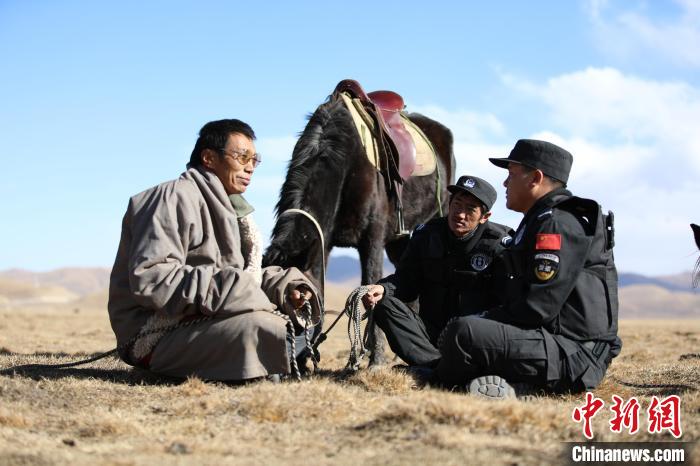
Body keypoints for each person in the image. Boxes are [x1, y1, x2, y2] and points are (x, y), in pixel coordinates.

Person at [108, 119, 321, 381]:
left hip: (203, 320)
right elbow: (153, 278)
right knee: (261, 326)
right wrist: (234, 288)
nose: (250, 167)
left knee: (302, 319)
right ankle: (266, 365)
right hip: (154, 334)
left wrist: (287, 288)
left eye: (255, 159)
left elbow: (246, 276)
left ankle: (266, 363)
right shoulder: (172, 197)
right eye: (242, 157)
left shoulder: (231, 208)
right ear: (209, 157)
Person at [437, 139, 622, 398]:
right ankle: (508, 384)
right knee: (467, 320)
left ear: (535, 178)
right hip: (554, 342)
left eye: (511, 175)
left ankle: (442, 380)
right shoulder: (538, 220)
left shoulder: (557, 224)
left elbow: (539, 307)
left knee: (464, 332)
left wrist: (480, 320)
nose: (504, 183)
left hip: (574, 353)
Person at [362, 175, 514, 368]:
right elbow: (406, 282)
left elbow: (508, 304)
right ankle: (436, 367)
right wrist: (384, 289)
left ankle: (441, 370)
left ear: (485, 217)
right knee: (384, 302)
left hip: (472, 339)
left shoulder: (499, 246)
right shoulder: (427, 235)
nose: (460, 214)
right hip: (429, 336)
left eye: (470, 209)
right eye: (457, 204)